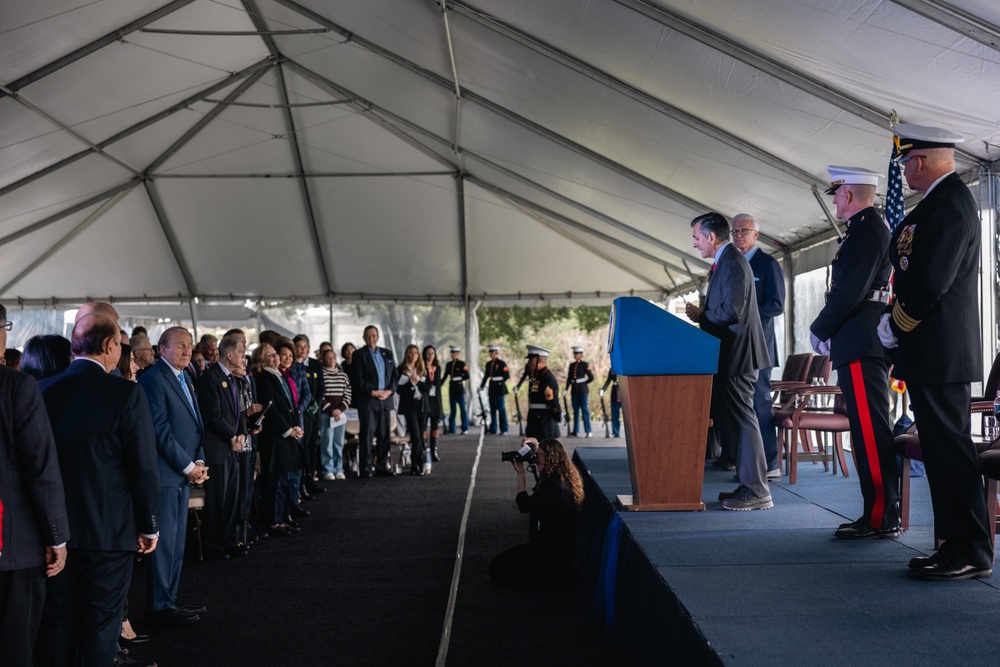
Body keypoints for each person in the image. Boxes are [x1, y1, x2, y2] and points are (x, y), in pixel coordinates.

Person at [879, 124, 993, 580]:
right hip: (931, 348)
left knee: (950, 450)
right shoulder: (939, 202)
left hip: (942, 348)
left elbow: (929, 281)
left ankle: (972, 550)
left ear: (920, 161)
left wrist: (895, 322)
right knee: (943, 451)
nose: (904, 171)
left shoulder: (950, 204)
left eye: (906, 162)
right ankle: (953, 546)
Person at [37, 314, 160, 666]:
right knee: (100, 627)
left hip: (54, 532)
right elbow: (143, 467)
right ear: (109, 347)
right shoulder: (126, 392)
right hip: (110, 532)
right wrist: (149, 525)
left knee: (57, 625)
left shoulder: (43, 389)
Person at [809, 166, 899, 539]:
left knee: (871, 430)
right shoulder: (862, 230)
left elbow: (850, 291)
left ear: (847, 195)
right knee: (864, 430)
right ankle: (877, 512)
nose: (836, 202)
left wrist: (820, 328)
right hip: (856, 338)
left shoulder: (867, 231)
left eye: (837, 195)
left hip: (862, 341)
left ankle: (881, 516)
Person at [685, 212, 772, 511]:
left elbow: (731, 310)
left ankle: (757, 490)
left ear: (711, 236)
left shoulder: (733, 261)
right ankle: (749, 483)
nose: (695, 244)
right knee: (739, 422)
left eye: (697, 237)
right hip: (732, 352)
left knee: (744, 421)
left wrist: (702, 315)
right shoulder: (727, 261)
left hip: (739, 354)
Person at [0, 304, 70, 667]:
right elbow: (40, 467)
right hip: (13, 544)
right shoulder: (16, 386)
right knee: (14, 645)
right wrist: (56, 536)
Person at [137, 326, 208, 626]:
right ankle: (158, 606)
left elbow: (194, 425)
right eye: (180, 345)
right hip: (168, 475)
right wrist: (187, 466)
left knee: (178, 542)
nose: (187, 350)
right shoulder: (154, 379)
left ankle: (170, 598)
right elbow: (159, 431)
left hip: (184, 472)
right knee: (164, 544)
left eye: (189, 345)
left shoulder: (186, 378)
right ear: (161, 349)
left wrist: (200, 458)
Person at [731, 213, 785, 479]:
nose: (739, 235)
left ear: (756, 235)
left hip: (759, 346)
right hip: (736, 346)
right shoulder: (733, 264)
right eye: (735, 232)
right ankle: (749, 464)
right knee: (743, 406)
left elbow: (776, 305)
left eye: (744, 230)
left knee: (760, 404)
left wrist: (748, 315)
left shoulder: (768, 264)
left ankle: (771, 463)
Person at [489, 438, 583, 585]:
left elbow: (524, 505)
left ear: (550, 458)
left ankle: (550, 577)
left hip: (549, 550)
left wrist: (521, 474)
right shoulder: (563, 477)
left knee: (496, 569)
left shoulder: (553, 487)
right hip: (561, 546)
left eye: (538, 455)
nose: (535, 458)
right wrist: (536, 444)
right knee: (500, 563)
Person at [196, 334, 249, 560]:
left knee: (231, 498)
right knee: (218, 500)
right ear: (229, 354)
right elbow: (213, 416)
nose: (244, 357)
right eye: (241, 353)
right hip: (217, 448)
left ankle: (228, 540)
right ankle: (213, 544)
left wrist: (242, 434)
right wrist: (233, 436)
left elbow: (239, 414)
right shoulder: (210, 377)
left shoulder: (233, 378)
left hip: (232, 447)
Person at [252, 343, 305, 535]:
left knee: (283, 481)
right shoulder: (263, 378)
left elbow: (290, 405)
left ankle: (282, 518)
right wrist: (287, 430)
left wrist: (296, 426)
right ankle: (273, 521)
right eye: (271, 355)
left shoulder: (279, 375)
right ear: (262, 359)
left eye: (276, 355)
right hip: (275, 438)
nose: (276, 358)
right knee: (274, 482)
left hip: (286, 435)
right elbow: (271, 408)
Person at [350, 325, 398, 477]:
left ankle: (382, 466)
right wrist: (373, 392)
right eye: (368, 336)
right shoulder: (359, 354)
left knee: (384, 435)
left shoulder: (387, 353)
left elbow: (395, 376)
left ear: (378, 337)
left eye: (374, 335)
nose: (371, 338)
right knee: (367, 436)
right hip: (369, 400)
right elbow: (357, 379)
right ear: (364, 338)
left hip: (385, 400)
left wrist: (390, 391)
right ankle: (365, 468)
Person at [293, 334, 325, 496]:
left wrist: (314, 405)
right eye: (299, 346)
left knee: (312, 447)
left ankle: (311, 478)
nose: (302, 350)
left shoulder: (315, 364)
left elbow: (321, 388)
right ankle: (301, 484)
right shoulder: (292, 366)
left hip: (313, 413)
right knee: (302, 448)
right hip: (299, 414)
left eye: (305, 347)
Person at [318, 347, 352, 481]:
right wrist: (331, 411)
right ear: (323, 359)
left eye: (334, 357)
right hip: (327, 414)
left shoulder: (343, 375)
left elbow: (348, 393)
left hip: (340, 415)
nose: (332, 360)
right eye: (329, 357)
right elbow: (320, 396)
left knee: (339, 443)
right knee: (327, 442)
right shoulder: (321, 374)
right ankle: (328, 469)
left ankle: (339, 469)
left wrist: (340, 409)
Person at [397, 344, 431, 475]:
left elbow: (428, 387)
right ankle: (419, 463)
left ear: (418, 355)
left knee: (419, 436)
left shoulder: (422, 368)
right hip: (409, 406)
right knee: (416, 435)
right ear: (407, 354)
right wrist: (410, 383)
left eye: (415, 353)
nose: (413, 355)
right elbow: (398, 389)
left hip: (421, 406)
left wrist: (418, 382)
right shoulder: (401, 369)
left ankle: (415, 465)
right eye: (411, 353)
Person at [523, 345, 561, 440]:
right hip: (535, 419)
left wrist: (557, 415)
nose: (528, 363)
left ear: (539, 361)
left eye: (531, 360)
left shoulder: (547, 378)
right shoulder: (536, 376)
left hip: (545, 422)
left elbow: (552, 403)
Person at [563, 346, 594, 437]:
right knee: (575, 411)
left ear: (581, 354)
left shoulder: (585, 364)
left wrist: (584, 383)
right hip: (574, 390)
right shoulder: (572, 365)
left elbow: (591, 377)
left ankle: (588, 431)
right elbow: (569, 378)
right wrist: (566, 389)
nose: (576, 355)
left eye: (577, 354)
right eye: (575, 354)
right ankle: (575, 431)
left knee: (585, 410)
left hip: (583, 390)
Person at [480, 344, 510, 435]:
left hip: (499, 388)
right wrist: (481, 386)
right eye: (490, 352)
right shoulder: (488, 364)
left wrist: (499, 382)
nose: (491, 354)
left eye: (492, 352)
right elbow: (486, 376)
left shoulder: (501, 363)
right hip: (492, 388)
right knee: (492, 409)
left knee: (501, 409)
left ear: (496, 353)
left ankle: (504, 429)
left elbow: (506, 376)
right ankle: (493, 428)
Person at [423, 345, 444, 462]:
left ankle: (433, 448)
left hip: (435, 398)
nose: (430, 355)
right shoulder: (421, 367)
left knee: (435, 424)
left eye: (432, 353)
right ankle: (425, 449)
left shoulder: (437, 367)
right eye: (428, 353)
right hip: (425, 398)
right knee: (424, 424)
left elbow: (438, 384)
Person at [443, 345, 470, 434]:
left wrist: (459, 377)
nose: (453, 354)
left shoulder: (462, 364)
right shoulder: (449, 365)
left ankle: (465, 427)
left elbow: (466, 376)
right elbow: (445, 376)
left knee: (462, 409)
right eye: (452, 353)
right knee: (453, 410)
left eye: (455, 353)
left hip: (459, 389)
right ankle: (452, 427)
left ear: (458, 354)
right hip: (452, 388)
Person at [599, 371, 621, 438]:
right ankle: (615, 432)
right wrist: (603, 389)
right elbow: (608, 381)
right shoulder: (612, 369)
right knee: (615, 415)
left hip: (624, 391)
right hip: (615, 393)